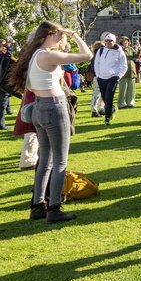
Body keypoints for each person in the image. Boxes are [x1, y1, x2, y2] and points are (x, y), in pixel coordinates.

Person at [9, 21, 93, 223]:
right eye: (59, 34)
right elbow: (87, 55)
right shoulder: (48, 55)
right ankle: (54, 208)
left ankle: (38, 205)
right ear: (50, 33)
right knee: (59, 161)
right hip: (53, 106)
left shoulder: (35, 54)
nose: (62, 37)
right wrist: (73, 34)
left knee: (45, 160)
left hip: (39, 107)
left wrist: (63, 37)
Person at [93, 33, 127, 125]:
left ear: (114, 42)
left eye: (110, 41)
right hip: (101, 77)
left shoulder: (120, 52)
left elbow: (124, 66)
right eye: (106, 41)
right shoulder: (100, 51)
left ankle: (107, 118)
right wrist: (98, 75)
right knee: (104, 98)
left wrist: (118, 76)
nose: (108, 43)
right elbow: (96, 64)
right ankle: (112, 109)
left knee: (109, 97)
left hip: (113, 78)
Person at [117, 37, 138, 109]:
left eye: (127, 41)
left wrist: (138, 49)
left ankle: (130, 102)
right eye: (124, 41)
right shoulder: (119, 49)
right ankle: (122, 103)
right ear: (121, 42)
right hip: (123, 71)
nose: (126, 42)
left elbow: (136, 56)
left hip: (131, 70)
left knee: (131, 89)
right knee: (123, 89)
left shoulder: (130, 49)